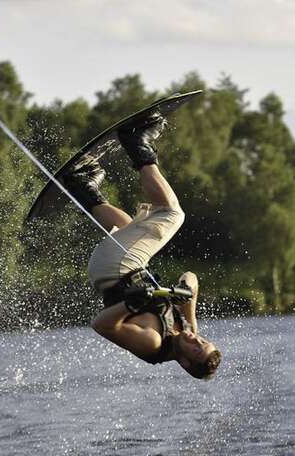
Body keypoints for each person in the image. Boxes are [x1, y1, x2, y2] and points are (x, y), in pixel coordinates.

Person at [61, 113, 221, 379]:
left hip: (115, 268)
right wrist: (186, 295)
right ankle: (81, 186)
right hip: (116, 265)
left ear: (184, 363)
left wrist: (132, 305)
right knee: (129, 225)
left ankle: (137, 142)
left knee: (172, 214)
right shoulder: (187, 327)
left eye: (195, 349)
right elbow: (191, 278)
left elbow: (101, 325)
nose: (196, 340)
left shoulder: (153, 344)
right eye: (203, 341)